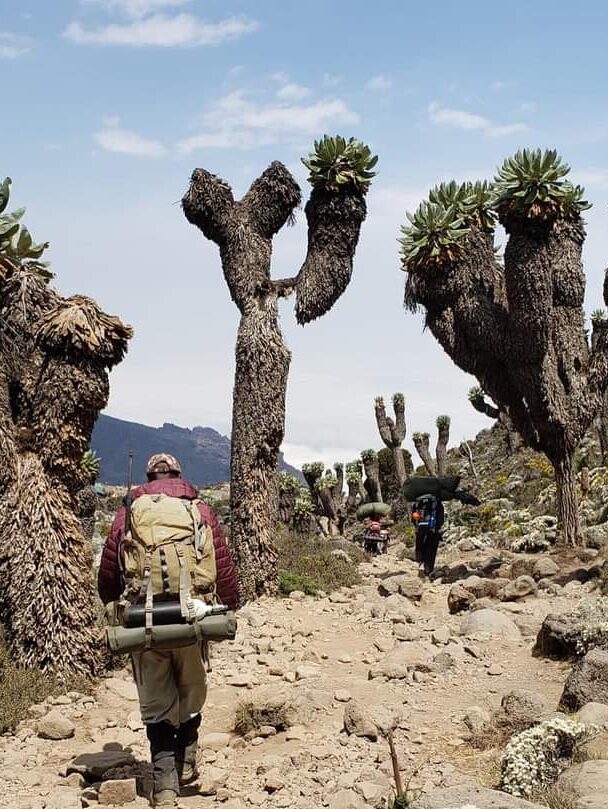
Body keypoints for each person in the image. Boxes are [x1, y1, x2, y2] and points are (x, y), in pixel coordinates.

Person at [98, 453, 238, 808]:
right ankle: (186, 758)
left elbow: (110, 570)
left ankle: (164, 786)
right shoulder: (199, 510)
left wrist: (115, 603)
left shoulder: (129, 512)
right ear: (178, 475)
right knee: (191, 687)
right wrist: (229, 602)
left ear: (149, 476)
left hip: (144, 619)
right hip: (192, 616)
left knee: (156, 701)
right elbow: (220, 563)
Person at [411, 494, 445, 577]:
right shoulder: (437, 503)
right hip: (433, 531)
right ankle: (428, 571)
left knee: (420, 548)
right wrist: (436, 528)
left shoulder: (417, 503)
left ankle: (420, 563)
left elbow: (413, 519)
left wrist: (417, 527)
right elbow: (441, 519)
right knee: (431, 550)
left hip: (420, 530)